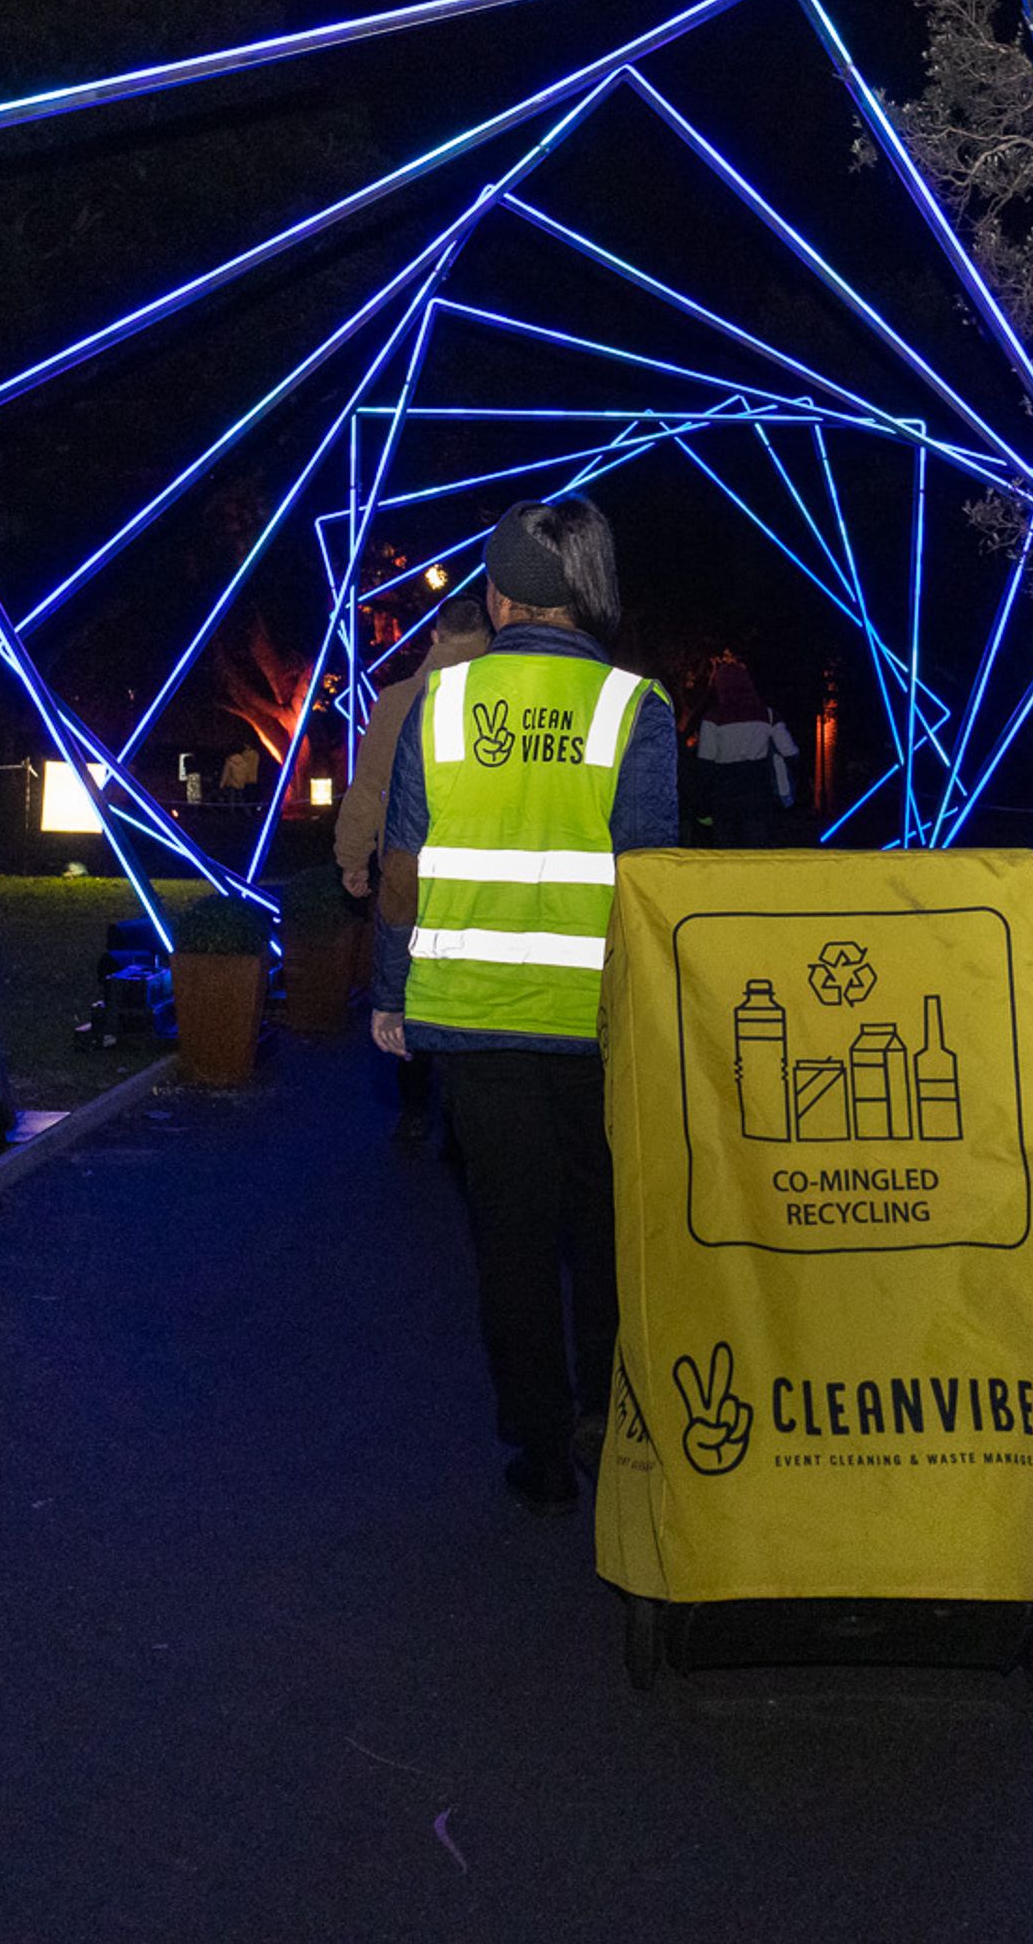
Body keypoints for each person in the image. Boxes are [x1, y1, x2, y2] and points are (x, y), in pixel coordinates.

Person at [371, 500, 677, 1511]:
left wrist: (391, 993)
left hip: (475, 1014)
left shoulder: (442, 707)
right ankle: (608, 1413)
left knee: (509, 1235)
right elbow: (651, 881)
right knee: (602, 1223)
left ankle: (538, 1447)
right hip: (598, 1018)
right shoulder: (637, 708)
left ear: (498, 597)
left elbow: (401, 868)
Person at [335, 594, 492, 1148]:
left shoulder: (398, 701)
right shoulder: (499, 700)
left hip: (409, 873)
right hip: (482, 877)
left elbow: (370, 789)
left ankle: (415, 1109)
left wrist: (352, 858)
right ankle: (463, 1117)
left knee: (409, 992)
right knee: (469, 998)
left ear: (434, 636)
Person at [686, 654, 798, 847]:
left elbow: (706, 763)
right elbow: (791, 753)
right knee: (757, 854)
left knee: (727, 855)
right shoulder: (768, 715)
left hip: (724, 794)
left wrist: (702, 804)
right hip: (758, 792)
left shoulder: (713, 718)